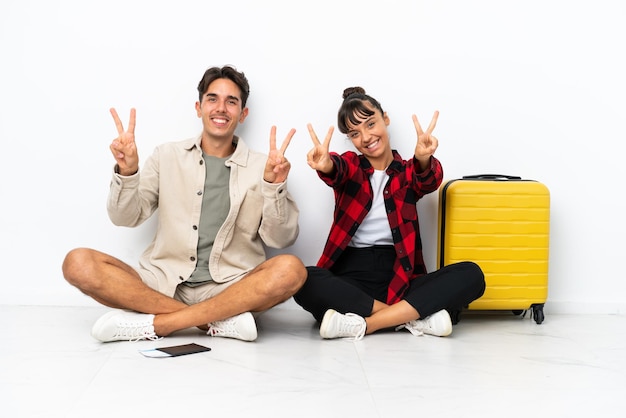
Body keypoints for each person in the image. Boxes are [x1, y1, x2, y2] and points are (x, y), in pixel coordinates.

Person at [62, 65, 306, 343]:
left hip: (231, 287)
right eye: (212, 99)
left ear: (243, 113)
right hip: (162, 284)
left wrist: (274, 187)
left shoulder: (265, 166)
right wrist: (128, 172)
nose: (221, 108)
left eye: (231, 101)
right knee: (77, 263)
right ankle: (213, 322)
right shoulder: (167, 155)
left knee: (291, 269)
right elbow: (125, 218)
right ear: (199, 107)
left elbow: (281, 239)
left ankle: (157, 324)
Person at [294, 87, 485, 340]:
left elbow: (428, 180)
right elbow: (336, 170)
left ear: (385, 119)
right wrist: (326, 164)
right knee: (303, 279)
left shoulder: (407, 172)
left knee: (472, 274)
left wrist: (423, 159)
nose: (365, 136)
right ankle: (410, 319)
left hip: (400, 275)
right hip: (351, 276)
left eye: (371, 123)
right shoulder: (351, 165)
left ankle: (365, 324)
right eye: (354, 133)